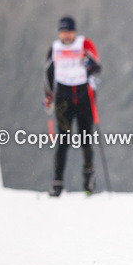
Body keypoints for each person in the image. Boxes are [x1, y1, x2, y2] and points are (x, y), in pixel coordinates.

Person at [44, 15, 101, 196]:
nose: (66, 36)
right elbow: (48, 73)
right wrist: (48, 97)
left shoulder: (85, 44)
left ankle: (88, 179)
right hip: (64, 99)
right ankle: (58, 182)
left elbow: (97, 66)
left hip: (84, 97)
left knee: (86, 140)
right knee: (63, 141)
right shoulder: (55, 48)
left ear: (74, 32)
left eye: (69, 32)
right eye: (63, 32)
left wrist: (88, 63)